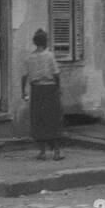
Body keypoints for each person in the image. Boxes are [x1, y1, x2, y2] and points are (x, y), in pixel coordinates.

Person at [22, 29, 62, 160]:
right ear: (45, 42)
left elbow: (24, 76)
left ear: (35, 42)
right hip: (49, 89)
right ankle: (56, 152)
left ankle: (42, 152)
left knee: (39, 120)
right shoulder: (49, 55)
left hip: (36, 90)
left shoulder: (29, 57)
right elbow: (56, 74)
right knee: (52, 119)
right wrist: (59, 88)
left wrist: (23, 91)